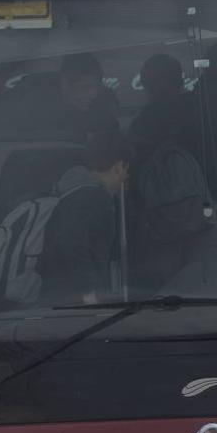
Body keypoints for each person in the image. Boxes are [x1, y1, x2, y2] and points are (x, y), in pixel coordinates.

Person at [39, 128, 132, 304]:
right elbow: (71, 242)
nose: (126, 178)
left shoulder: (69, 190)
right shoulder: (95, 198)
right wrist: (90, 293)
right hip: (73, 302)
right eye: (127, 172)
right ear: (118, 168)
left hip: (55, 295)